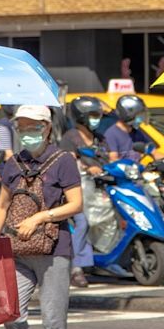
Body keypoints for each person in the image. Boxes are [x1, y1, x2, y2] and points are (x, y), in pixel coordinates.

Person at [0, 105, 82, 329]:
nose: (27, 131)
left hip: (53, 250)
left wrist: (40, 217)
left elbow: (76, 205)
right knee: (11, 315)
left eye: (33, 126)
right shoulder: (13, 163)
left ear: (47, 127)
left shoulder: (63, 161)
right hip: (17, 249)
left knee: (53, 322)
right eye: (21, 127)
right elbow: (1, 207)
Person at [60, 96, 105, 287]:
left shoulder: (99, 137)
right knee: (82, 222)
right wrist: (88, 169)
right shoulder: (71, 137)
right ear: (82, 117)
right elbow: (70, 164)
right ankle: (76, 268)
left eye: (99, 115)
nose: (97, 119)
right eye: (93, 115)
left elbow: (112, 156)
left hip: (100, 188)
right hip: (77, 190)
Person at [104, 95, 154, 162]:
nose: (141, 119)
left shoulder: (137, 133)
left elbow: (154, 151)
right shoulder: (111, 134)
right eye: (139, 115)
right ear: (127, 115)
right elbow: (113, 158)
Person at [0, 104, 18, 180]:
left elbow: (8, 156)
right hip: (10, 176)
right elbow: (8, 156)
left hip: (13, 174)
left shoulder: (4, 126)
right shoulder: (4, 126)